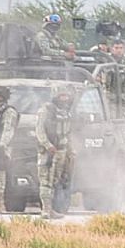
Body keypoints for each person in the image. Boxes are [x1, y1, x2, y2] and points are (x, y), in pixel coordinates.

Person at [36, 88, 74, 219]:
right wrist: (48, 145)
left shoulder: (65, 112)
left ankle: (50, 209)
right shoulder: (46, 111)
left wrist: (70, 151)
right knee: (45, 180)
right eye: (61, 95)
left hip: (61, 151)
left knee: (55, 181)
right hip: (48, 152)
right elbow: (39, 130)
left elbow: (67, 133)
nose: (64, 98)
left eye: (66, 95)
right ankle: (45, 210)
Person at [97, 39, 125, 117]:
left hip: (123, 99)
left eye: (121, 48)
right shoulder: (106, 60)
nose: (119, 50)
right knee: (109, 119)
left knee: (124, 121)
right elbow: (98, 78)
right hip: (108, 98)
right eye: (116, 48)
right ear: (112, 48)